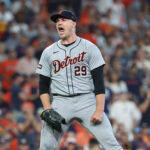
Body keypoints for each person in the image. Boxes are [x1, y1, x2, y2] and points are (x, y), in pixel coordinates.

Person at [36, 10, 123, 150]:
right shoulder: (48, 52)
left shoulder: (89, 48)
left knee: (111, 144)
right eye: (57, 21)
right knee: (45, 147)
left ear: (73, 24)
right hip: (60, 102)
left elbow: (99, 82)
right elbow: (43, 84)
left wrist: (99, 110)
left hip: (86, 101)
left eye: (63, 20)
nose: (59, 23)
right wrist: (47, 108)